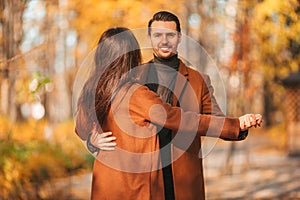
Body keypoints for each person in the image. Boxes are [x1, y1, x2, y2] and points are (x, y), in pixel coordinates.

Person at [75, 26, 262, 200]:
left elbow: (81, 128)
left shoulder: (91, 88)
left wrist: (92, 139)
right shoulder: (135, 94)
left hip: (105, 183)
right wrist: (235, 125)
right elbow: (179, 118)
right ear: (131, 57)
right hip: (134, 186)